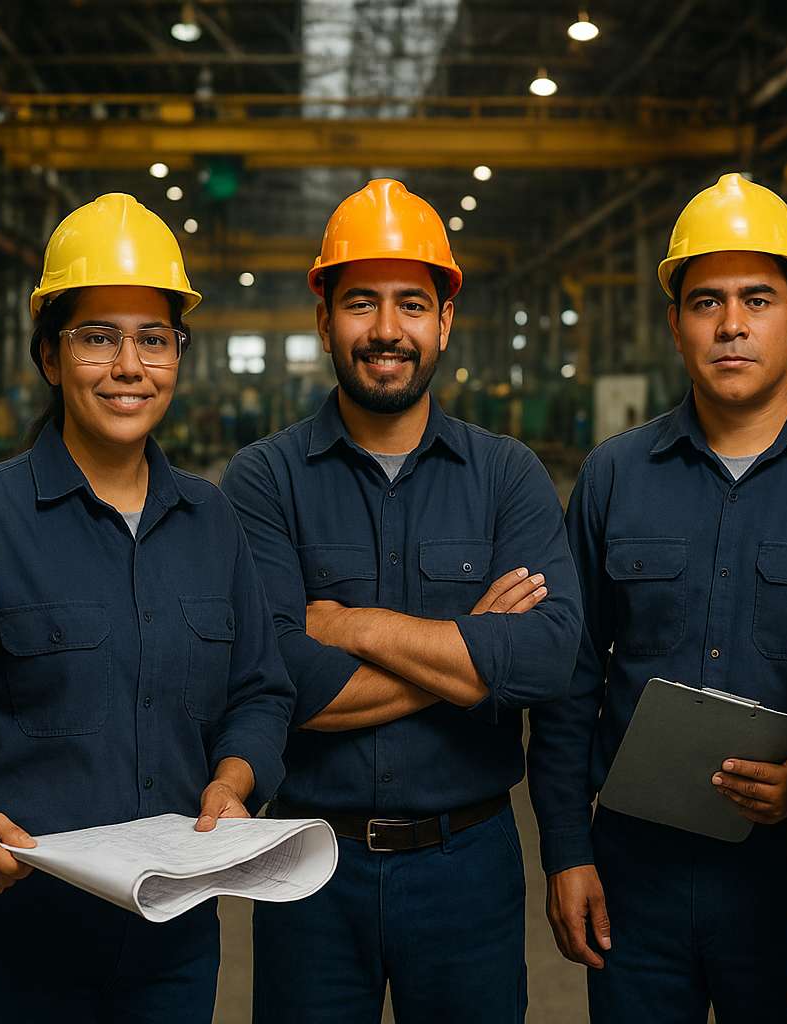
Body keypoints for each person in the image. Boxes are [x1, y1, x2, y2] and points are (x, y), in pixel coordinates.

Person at [0, 193, 295, 1023]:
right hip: (5, 958)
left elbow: (260, 693)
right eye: (98, 337)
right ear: (51, 357)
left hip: (171, 949)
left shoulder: (211, 521)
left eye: (153, 340)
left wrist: (234, 783)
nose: (130, 366)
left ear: (177, 357)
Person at [526, 172, 787, 1023]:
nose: (732, 324)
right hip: (635, 874)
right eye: (707, 301)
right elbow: (569, 680)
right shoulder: (615, 475)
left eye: (758, 299)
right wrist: (565, 851)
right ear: (676, 322)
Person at [220, 178, 582, 1024]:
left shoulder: (508, 476)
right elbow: (280, 680)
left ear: (445, 321)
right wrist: (474, 651)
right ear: (325, 319)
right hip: (308, 864)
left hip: (470, 864)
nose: (387, 330)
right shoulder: (263, 481)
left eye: (411, 305)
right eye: (361, 303)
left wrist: (353, 626)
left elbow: (548, 656)